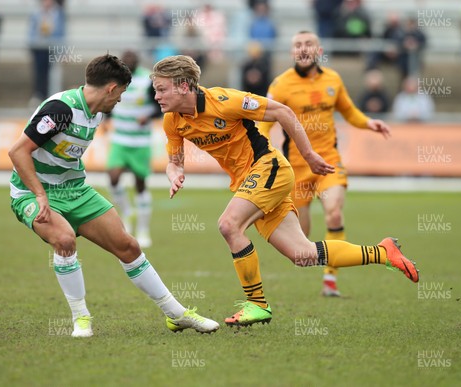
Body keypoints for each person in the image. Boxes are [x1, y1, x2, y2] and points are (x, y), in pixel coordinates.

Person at [151, 55, 419, 327]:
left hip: (269, 168)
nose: (156, 96)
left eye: (161, 89)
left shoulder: (224, 101)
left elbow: (283, 112)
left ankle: (257, 304)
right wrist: (176, 174)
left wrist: (309, 154)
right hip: (250, 183)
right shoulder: (172, 121)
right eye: (155, 89)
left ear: (184, 86)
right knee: (303, 254)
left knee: (229, 225)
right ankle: (383, 253)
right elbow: (174, 162)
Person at [8, 54, 219, 337]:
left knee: (128, 246)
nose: (120, 100)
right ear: (110, 88)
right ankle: (81, 318)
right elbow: (17, 151)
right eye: (120, 93)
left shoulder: (98, 111)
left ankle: (177, 314)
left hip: (75, 189)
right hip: (33, 192)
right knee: (65, 239)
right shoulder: (60, 109)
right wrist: (40, 196)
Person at [262, 31, 392, 297]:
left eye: (308, 44)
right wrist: (263, 151)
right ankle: (325, 261)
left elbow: (348, 110)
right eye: (297, 45)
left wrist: (368, 122)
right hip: (295, 169)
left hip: (329, 163)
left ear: (318, 50)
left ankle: (330, 279)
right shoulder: (280, 85)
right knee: (302, 243)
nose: (303, 48)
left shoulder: (333, 79)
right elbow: (264, 123)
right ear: (292, 52)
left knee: (334, 212)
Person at [105, 50, 160, 248]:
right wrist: (105, 119)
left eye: (132, 61)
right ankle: (126, 213)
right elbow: (110, 102)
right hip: (119, 139)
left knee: (140, 184)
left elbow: (159, 106)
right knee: (113, 178)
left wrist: (149, 116)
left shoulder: (147, 81)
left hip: (140, 142)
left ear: (137, 62)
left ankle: (143, 229)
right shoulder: (114, 79)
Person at [28, 0, 65, 105]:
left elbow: (62, 32)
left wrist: (63, 51)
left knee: (53, 73)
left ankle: (52, 98)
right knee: (39, 73)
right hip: (39, 49)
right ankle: (39, 96)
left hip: (53, 48)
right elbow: (31, 31)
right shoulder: (36, 13)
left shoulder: (59, 13)